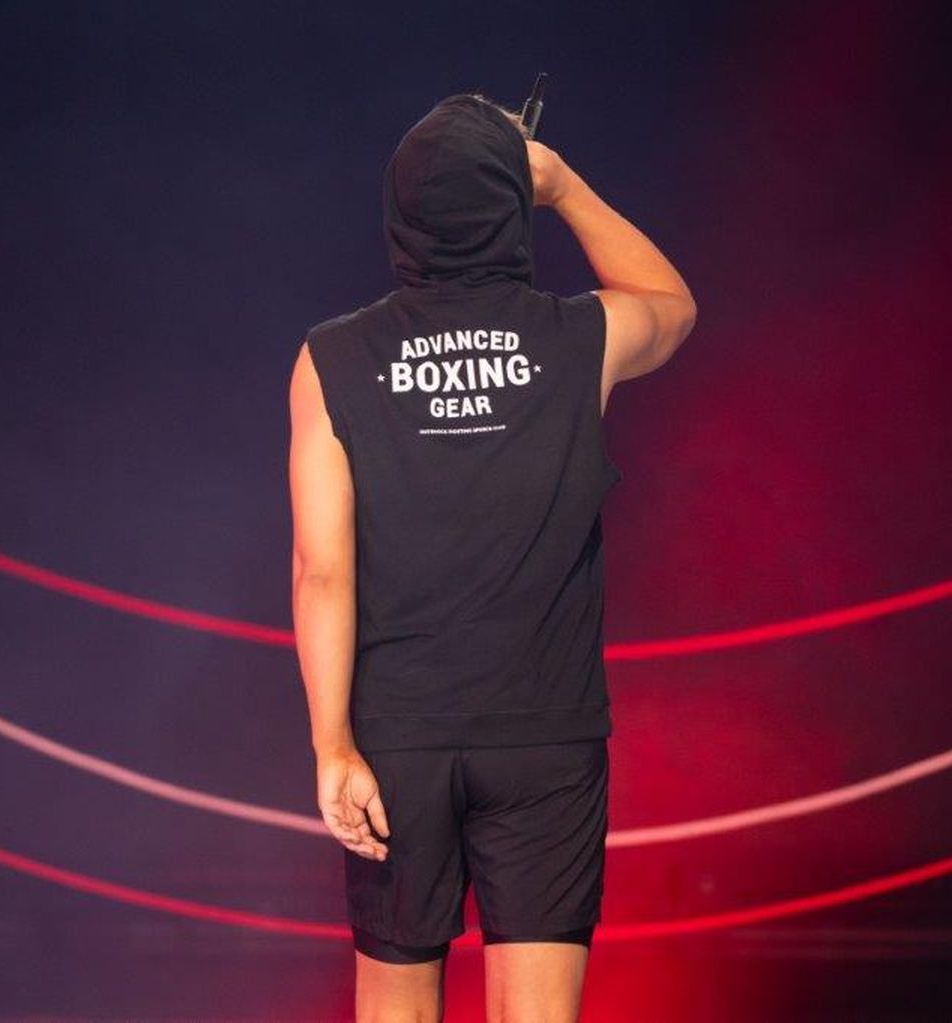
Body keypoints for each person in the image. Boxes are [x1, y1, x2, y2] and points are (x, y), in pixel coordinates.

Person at [288, 92, 696, 1022]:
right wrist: (565, 187)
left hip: (399, 737)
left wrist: (332, 745)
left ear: (399, 213)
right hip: (545, 734)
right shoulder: (577, 338)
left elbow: (322, 569)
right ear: (513, 206)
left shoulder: (332, 359)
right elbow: (672, 306)